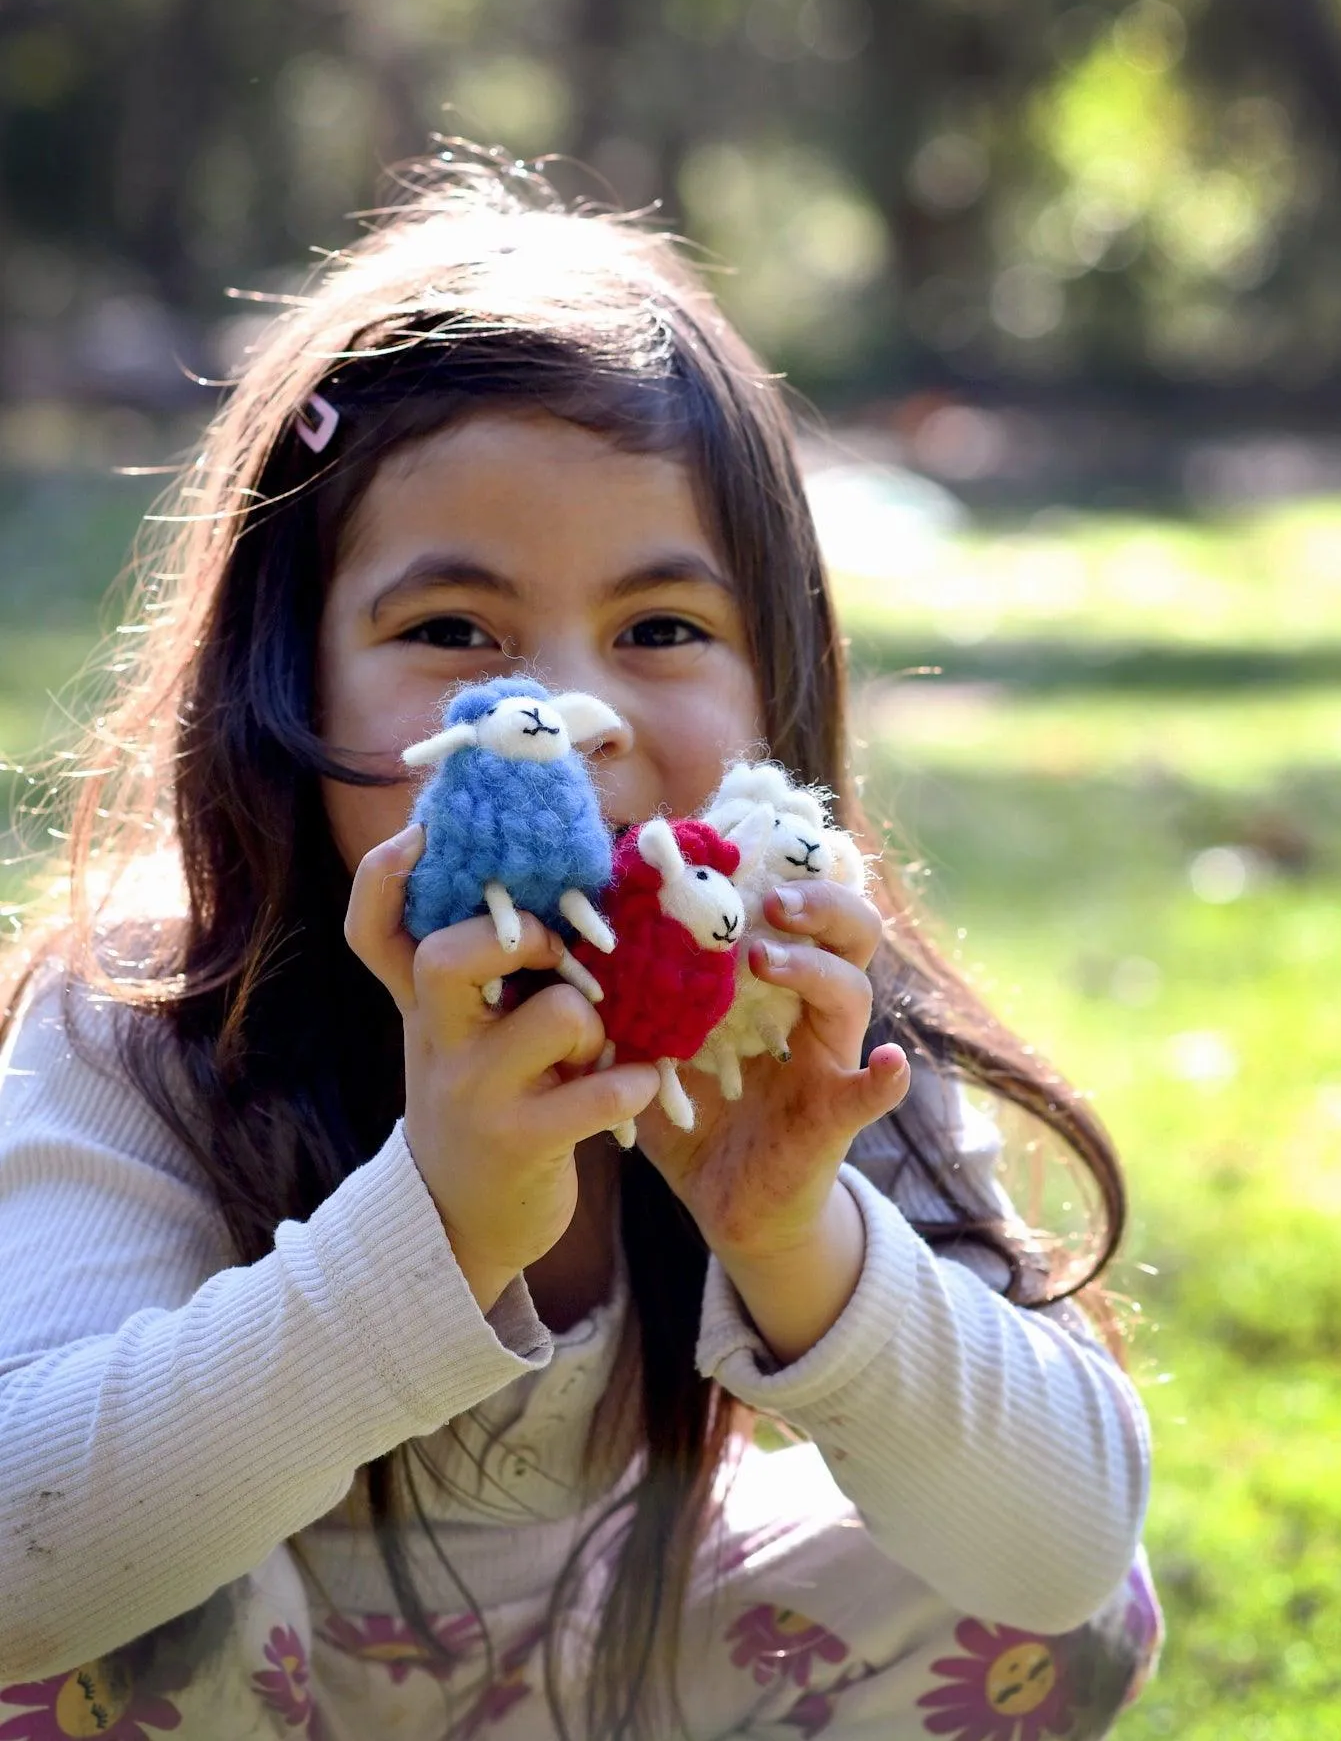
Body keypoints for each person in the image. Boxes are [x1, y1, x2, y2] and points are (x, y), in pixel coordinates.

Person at [0, 151, 1161, 1741]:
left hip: (650, 1672)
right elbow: (20, 1560)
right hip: (256, 1695)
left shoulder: (806, 1028)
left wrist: (790, 1234)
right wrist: (438, 1225)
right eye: (452, 632)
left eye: (662, 630)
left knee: (1047, 1602)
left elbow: (1065, 1550)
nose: (565, 721)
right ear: (287, 687)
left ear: (777, 698)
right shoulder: (144, 1022)